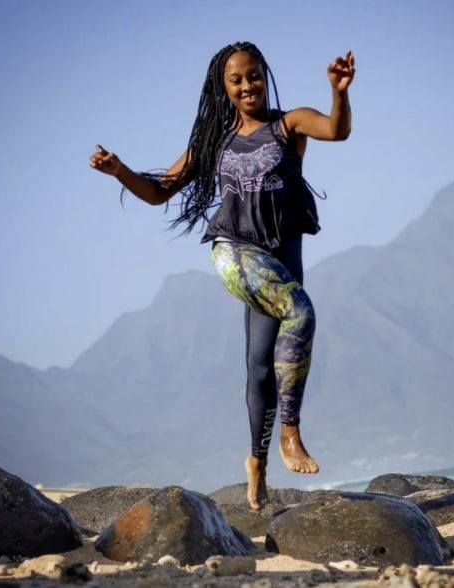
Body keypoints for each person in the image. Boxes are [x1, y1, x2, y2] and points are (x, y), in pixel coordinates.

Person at [90, 41, 355, 511]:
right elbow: (157, 192)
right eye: (236, 80)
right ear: (223, 87)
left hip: (283, 257)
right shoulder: (215, 141)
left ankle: (256, 464)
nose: (247, 85)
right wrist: (118, 171)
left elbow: (337, 130)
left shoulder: (288, 124)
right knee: (302, 311)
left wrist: (338, 91)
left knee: (259, 365)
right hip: (234, 251)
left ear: (263, 75)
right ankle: (290, 432)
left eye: (253, 75)